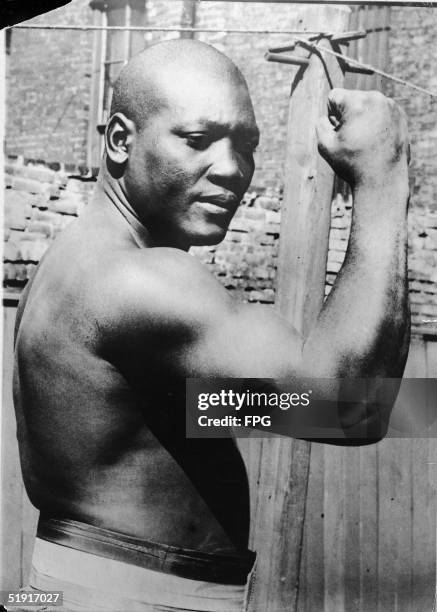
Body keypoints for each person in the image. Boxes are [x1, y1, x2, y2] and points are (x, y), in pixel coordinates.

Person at [12, 39, 410, 611]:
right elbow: (351, 408)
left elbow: (175, 415)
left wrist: (411, 407)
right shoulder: (142, 280)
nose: (232, 170)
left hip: (90, 585)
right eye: (198, 140)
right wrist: (383, 175)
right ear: (121, 141)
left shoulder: (75, 262)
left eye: (246, 144)